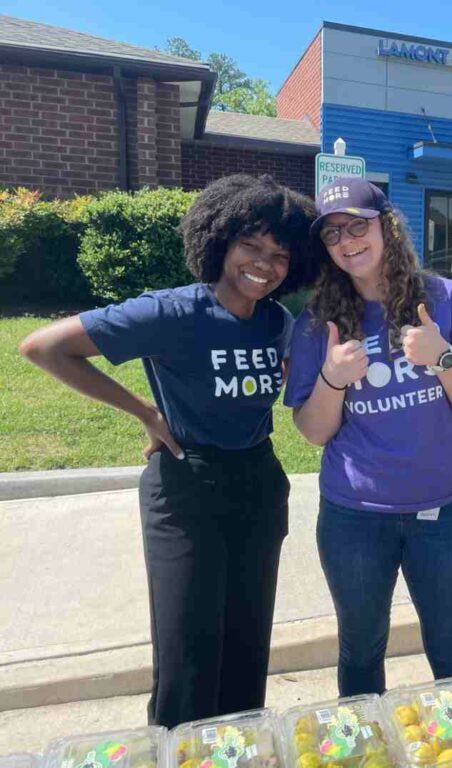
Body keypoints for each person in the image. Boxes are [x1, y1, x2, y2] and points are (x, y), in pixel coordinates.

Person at [19, 174, 318, 727]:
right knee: (187, 652)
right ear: (219, 240)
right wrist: (146, 412)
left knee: (247, 644)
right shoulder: (173, 312)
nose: (265, 263)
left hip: (258, 483)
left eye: (280, 254)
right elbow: (44, 348)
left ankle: (238, 752)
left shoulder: (278, 321)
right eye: (251, 245)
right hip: (185, 487)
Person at [285, 179, 452, 696]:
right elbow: (313, 431)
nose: (348, 240)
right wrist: (333, 378)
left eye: (359, 225)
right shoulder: (317, 323)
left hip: (442, 516)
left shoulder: (446, 299)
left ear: (387, 226)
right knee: (360, 652)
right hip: (355, 518)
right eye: (334, 233)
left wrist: (441, 356)